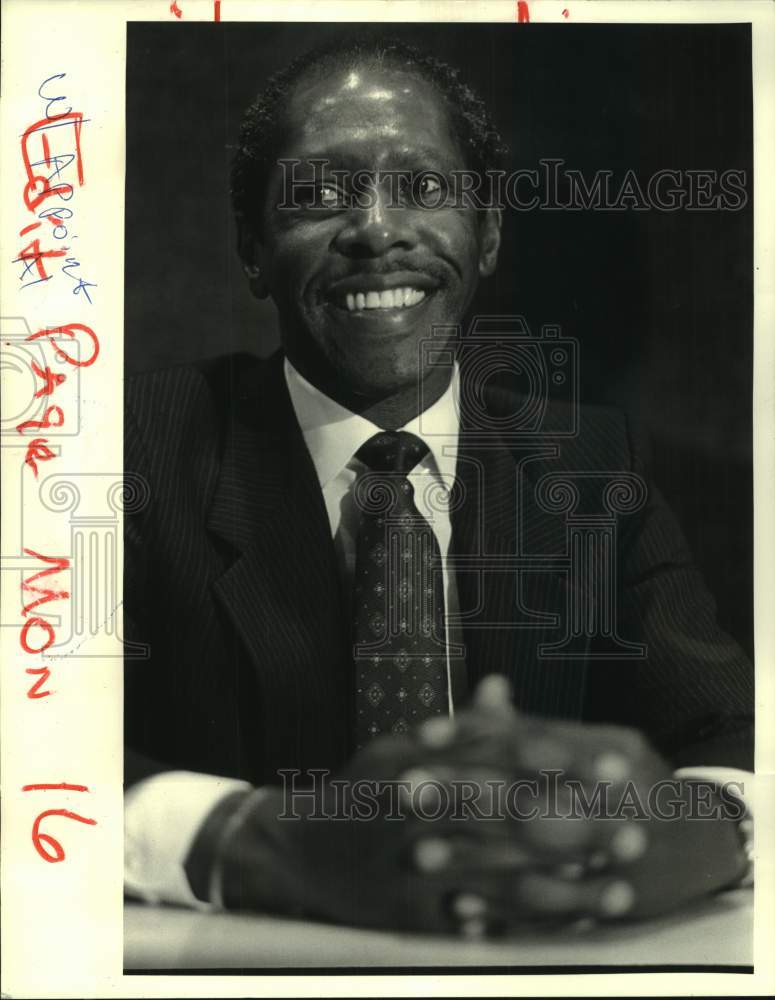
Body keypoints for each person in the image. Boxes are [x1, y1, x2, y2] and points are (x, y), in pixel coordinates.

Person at [123, 37, 753, 936]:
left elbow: (732, 730)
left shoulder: (590, 463)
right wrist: (265, 843)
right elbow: (36, 758)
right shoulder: (131, 449)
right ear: (252, 250)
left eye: (422, 188)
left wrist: (682, 837)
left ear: (487, 234)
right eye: (319, 194)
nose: (376, 229)